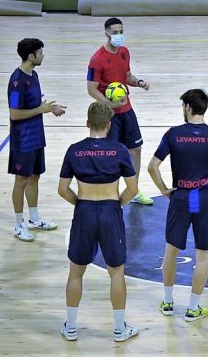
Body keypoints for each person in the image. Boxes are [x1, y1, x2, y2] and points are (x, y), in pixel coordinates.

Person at [148, 89, 208, 322]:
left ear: (187, 107)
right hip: (205, 200)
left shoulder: (173, 134)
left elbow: (152, 167)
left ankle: (167, 302)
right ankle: (193, 308)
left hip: (181, 198)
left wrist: (164, 190)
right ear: (205, 108)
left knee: (171, 251)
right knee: (203, 256)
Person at [58, 101, 140, 342]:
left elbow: (63, 189)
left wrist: (81, 204)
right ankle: (118, 329)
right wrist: (116, 205)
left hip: (84, 211)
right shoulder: (119, 150)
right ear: (109, 125)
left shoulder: (74, 150)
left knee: (75, 272)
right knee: (116, 272)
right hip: (110, 211)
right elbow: (133, 188)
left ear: (87, 124)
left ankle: (71, 328)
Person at [86, 17, 154, 207]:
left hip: (127, 110)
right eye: (115, 32)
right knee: (112, 153)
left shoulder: (124, 52)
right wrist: (110, 104)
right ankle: (111, 192)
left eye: (121, 32)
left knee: (136, 149)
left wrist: (139, 83)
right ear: (106, 33)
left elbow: (127, 77)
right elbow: (91, 89)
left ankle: (133, 190)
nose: (119, 35)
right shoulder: (97, 59)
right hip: (110, 114)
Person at [8, 38, 66, 242]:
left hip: (36, 137)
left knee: (34, 177)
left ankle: (34, 218)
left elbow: (35, 104)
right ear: (31, 56)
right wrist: (40, 110)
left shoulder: (34, 75)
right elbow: (14, 114)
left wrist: (50, 108)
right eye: (40, 53)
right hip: (22, 139)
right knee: (21, 179)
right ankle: (19, 224)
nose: (43, 56)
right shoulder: (16, 82)